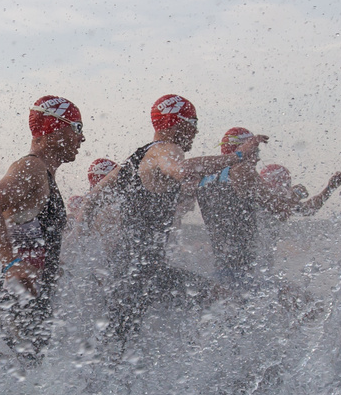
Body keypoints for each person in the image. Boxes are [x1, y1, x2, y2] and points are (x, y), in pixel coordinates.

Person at [105, 95, 243, 342]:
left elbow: (93, 200)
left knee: (120, 344)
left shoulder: (135, 158)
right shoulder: (167, 149)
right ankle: (223, 366)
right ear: (177, 122)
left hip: (124, 268)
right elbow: (183, 170)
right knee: (224, 299)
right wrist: (237, 157)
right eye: (194, 122)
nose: (196, 131)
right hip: (145, 270)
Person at [0, 96, 85, 361]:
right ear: (55, 128)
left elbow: (35, 239)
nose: (82, 139)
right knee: (29, 376)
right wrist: (11, 263)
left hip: (31, 300)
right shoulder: (32, 167)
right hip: (22, 303)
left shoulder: (44, 173)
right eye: (77, 128)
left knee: (28, 379)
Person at [196, 127, 273, 293]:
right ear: (244, 149)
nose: (258, 158)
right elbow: (281, 209)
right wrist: (297, 193)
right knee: (304, 302)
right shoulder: (243, 171)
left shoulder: (204, 177)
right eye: (255, 150)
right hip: (243, 273)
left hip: (222, 270)